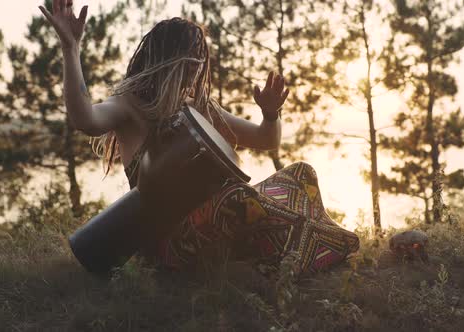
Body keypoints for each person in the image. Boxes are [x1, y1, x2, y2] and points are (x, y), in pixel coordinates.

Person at [40, 0, 359, 276]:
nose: (199, 65)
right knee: (239, 198)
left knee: (301, 172)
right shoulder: (129, 106)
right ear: (167, 57)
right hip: (165, 241)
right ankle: (298, 257)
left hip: (215, 222)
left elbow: (266, 140)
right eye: (192, 55)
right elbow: (85, 119)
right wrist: (71, 48)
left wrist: (271, 114)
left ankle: (310, 248)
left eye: (201, 55)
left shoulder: (200, 109)